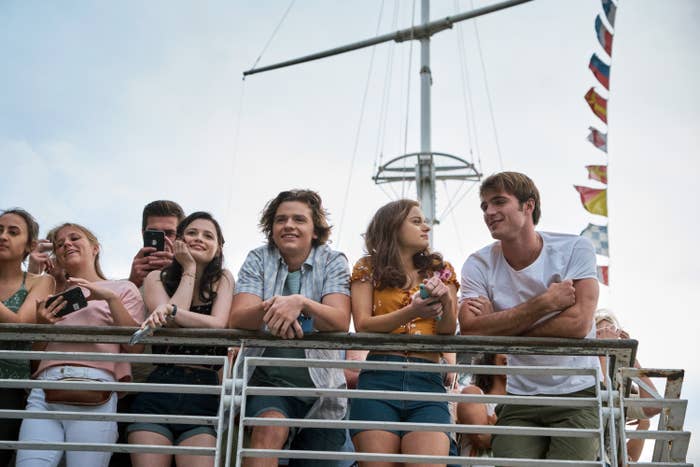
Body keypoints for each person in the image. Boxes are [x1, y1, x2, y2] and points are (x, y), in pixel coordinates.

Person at [459, 171, 601, 461]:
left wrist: (500, 329)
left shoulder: (575, 248)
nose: (489, 212)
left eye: (499, 202)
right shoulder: (478, 263)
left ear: (528, 206)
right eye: (484, 205)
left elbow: (578, 324)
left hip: (577, 393)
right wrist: (545, 303)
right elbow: (471, 330)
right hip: (520, 396)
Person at [229, 189, 351, 467]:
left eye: (299, 219)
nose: (288, 225)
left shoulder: (333, 260)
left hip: (323, 390)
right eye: (281, 219)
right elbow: (237, 318)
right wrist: (277, 306)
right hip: (269, 381)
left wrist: (300, 302)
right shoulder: (258, 258)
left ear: (316, 230)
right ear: (271, 229)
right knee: (269, 429)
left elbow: (339, 321)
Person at [16, 222, 145, 467]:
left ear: (95, 248)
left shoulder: (121, 288)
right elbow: (34, 359)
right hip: (44, 390)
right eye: (60, 244)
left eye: (75, 238)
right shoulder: (49, 294)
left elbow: (135, 347)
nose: (67, 244)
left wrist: (109, 298)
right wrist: (43, 327)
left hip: (95, 388)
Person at [349, 199, 458, 467]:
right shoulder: (367, 267)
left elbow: (447, 332)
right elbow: (362, 324)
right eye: (417, 221)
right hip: (379, 377)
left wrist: (446, 303)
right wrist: (411, 311)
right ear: (393, 226)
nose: (427, 227)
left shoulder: (442, 270)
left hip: (427, 379)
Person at [127, 211, 234, 467]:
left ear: (218, 249)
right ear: (180, 241)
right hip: (159, 387)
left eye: (208, 236)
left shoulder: (224, 278)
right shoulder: (157, 278)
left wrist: (173, 310)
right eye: (192, 233)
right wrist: (189, 269)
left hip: (204, 391)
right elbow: (169, 325)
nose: (199, 238)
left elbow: (217, 324)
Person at [0, 209, 55, 465]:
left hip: (9, 387)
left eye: (13, 232)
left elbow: (21, 323)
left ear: (30, 245)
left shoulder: (40, 282)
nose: (3, 236)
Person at [595, 309, 660, 463]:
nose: (607, 335)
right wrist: (603, 351)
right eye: (600, 332)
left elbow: (654, 405)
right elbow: (603, 396)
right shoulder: (577, 380)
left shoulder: (621, 392)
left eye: (611, 332)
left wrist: (631, 357)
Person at [455, 353, 507, 463]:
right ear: (491, 357)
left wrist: (496, 427)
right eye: (506, 350)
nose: (513, 356)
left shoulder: (524, 403)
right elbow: (482, 438)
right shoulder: (473, 393)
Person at [128, 200, 185, 288]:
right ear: (143, 234)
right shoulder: (120, 288)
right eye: (153, 232)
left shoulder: (195, 279)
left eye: (169, 233)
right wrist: (133, 284)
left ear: (181, 236)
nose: (163, 239)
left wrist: (179, 273)